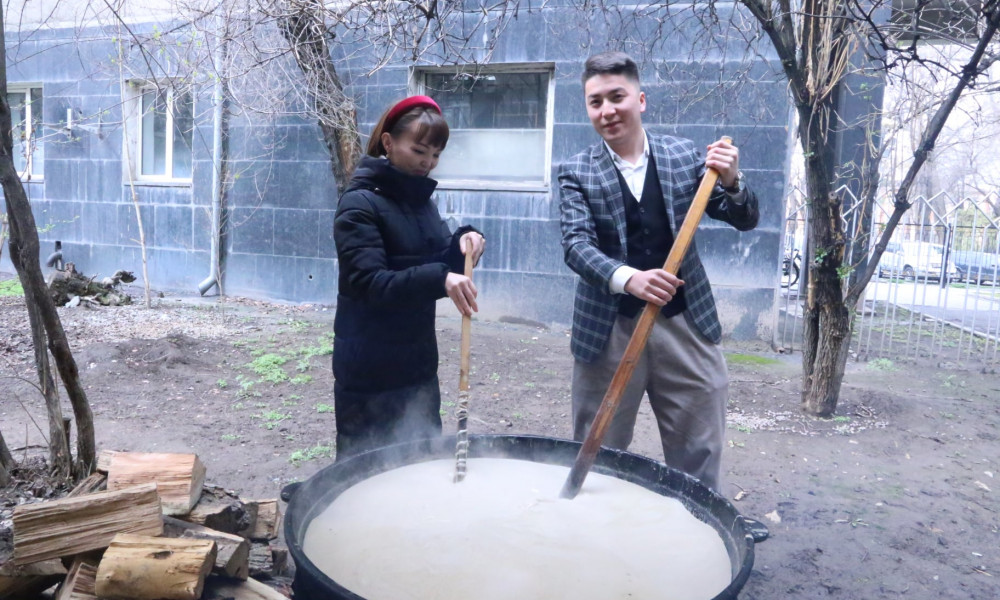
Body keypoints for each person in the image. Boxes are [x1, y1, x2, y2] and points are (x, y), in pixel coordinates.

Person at [558, 52, 760, 491]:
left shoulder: (682, 156)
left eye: (617, 96)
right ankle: (591, 535)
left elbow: (743, 218)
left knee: (699, 448)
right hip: (609, 329)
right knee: (598, 451)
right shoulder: (575, 171)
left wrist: (731, 180)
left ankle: (700, 527)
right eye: (596, 102)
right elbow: (576, 246)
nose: (607, 110)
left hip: (685, 323)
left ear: (641, 99)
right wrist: (629, 278)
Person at [332, 95, 486, 461]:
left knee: (421, 462)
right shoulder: (359, 205)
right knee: (364, 473)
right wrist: (441, 279)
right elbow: (370, 283)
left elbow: (436, 262)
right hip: (369, 369)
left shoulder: (419, 201)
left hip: (416, 364)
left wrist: (465, 242)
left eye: (435, 155)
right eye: (419, 150)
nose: (428, 163)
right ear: (388, 143)